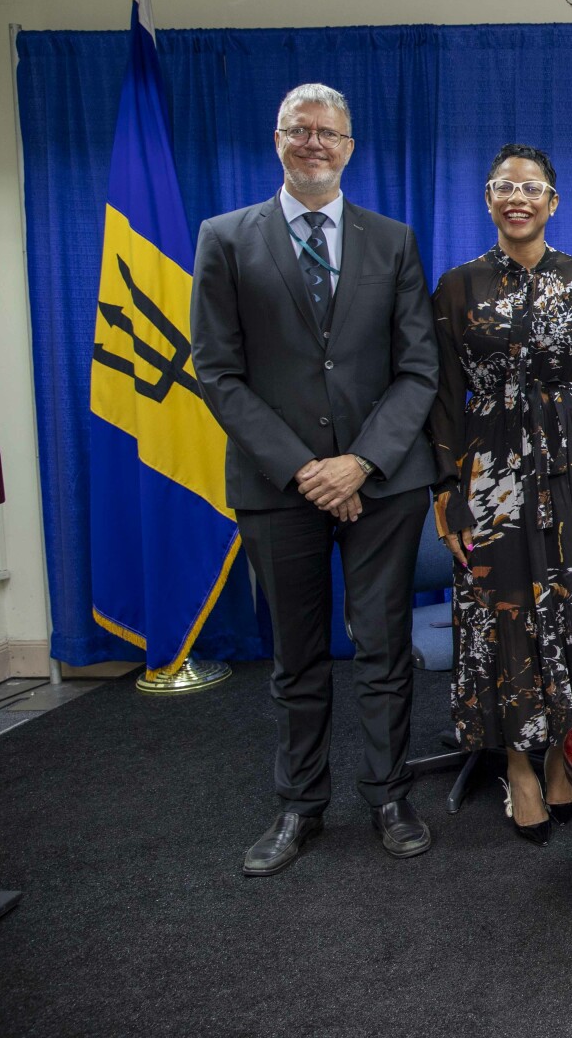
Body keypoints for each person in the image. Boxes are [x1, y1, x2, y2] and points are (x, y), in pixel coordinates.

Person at [190, 83, 437, 876]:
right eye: (300, 130)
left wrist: (359, 461)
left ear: (350, 147)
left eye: (329, 133)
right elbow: (216, 371)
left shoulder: (392, 240)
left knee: (384, 648)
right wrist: (304, 468)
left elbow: (419, 368)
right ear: (278, 140)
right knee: (295, 657)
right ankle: (299, 805)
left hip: (382, 482)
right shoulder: (226, 239)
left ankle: (389, 795)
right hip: (278, 486)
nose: (315, 144)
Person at [428, 144, 572, 846]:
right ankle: (518, 766)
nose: (516, 198)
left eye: (531, 188)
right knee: (505, 608)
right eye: (503, 187)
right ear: (488, 200)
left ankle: (562, 754)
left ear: (554, 202)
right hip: (492, 472)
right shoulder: (456, 287)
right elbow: (440, 397)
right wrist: (447, 491)